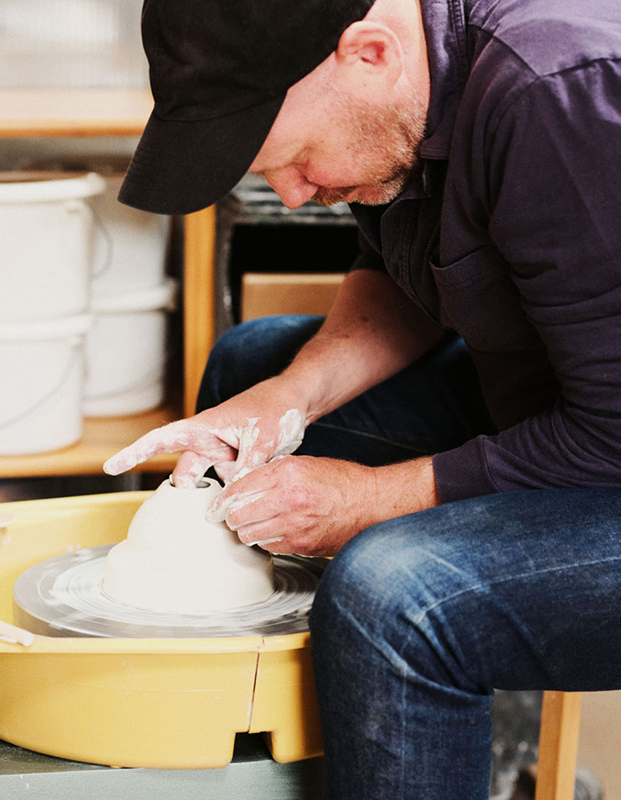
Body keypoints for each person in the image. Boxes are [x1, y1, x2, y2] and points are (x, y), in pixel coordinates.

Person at [103, 0, 621, 796]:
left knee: (394, 595)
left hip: (608, 443)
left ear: (370, 54)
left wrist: (368, 500)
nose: (293, 194)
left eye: (298, 160)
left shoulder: (554, 94)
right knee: (250, 367)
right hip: (562, 402)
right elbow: (410, 277)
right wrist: (286, 398)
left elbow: (611, 436)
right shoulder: (403, 93)